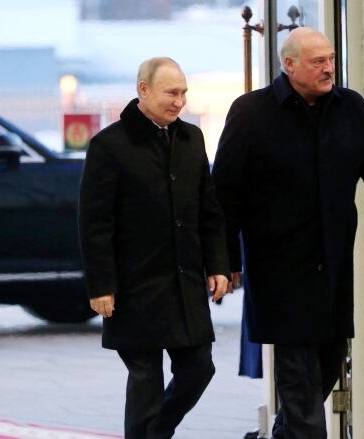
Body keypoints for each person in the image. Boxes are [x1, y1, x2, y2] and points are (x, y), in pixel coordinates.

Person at [212, 28, 364, 438]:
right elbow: (223, 196)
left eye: (331, 59)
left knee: (325, 368)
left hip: (333, 269)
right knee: (300, 385)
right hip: (278, 273)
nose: (329, 68)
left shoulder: (350, 108)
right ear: (289, 65)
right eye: (318, 61)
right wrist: (225, 262)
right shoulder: (251, 113)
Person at [78, 56, 230, 439]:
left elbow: (209, 211)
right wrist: (100, 286)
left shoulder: (191, 138)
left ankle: (155, 434)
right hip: (133, 286)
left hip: (183, 282)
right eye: (171, 93)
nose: (180, 101)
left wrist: (219, 265)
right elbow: (95, 224)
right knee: (145, 377)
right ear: (143, 90)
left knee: (199, 368)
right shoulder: (108, 145)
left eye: (183, 93)